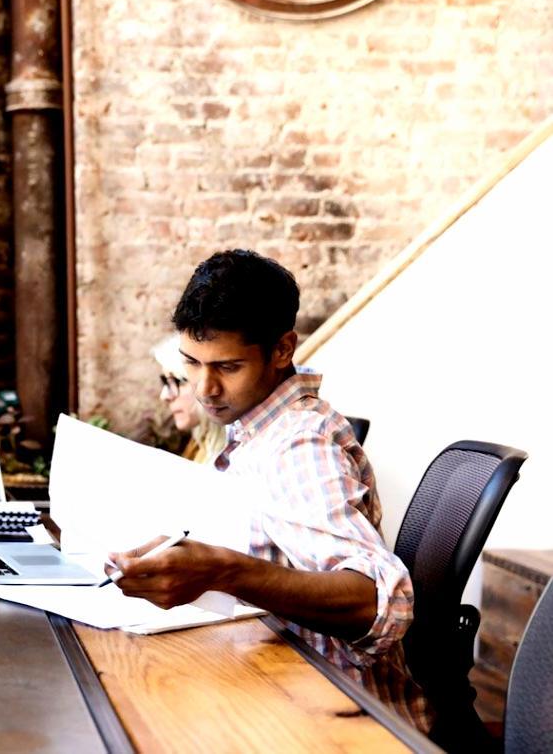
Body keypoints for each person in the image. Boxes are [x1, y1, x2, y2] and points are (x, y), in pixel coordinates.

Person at [112, 249, 430, 732]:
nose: (204, 387)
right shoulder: (257, 429)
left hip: (340, 718)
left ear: (282, 350)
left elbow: (379, 602)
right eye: (191, 363)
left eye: (227, 367)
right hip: (280, 681)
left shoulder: (299, 445)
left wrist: (224, 571)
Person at [152, 336, 227, 464]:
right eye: (165, 382)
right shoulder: (201, 442)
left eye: (178, 381)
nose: (164, 396)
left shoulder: (237, 452)